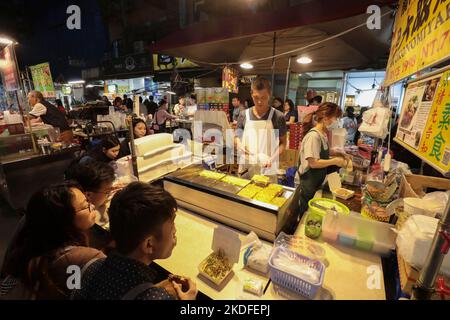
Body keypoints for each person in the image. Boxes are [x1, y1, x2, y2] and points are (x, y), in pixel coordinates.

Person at [72, 182, 198, 300]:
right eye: (172, 228)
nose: (175, 232)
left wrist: (153, 289)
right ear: (149, 244)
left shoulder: (88, 267)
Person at [0, 184, 105, 299]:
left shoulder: (30, 242)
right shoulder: (79, 259)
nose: (93, 206)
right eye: (86, 205)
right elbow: (75, 289)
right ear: (65, 220)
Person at [297, 102, 349, 217]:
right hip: (308, 183)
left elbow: (323, 151)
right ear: (325, 119)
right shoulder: (313, 136)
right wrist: (335, 161)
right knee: (305, 215)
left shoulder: (322, 134)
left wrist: (337, 152)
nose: (337, 122)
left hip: (316, 182)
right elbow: (313, 163)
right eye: (336, 118)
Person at [236, 76, 287, 181]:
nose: (259, 102)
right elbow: (237, 136)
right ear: (251, 94)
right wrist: (239, 144)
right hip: (247, 165)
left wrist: (271, 159)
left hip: (267, 166)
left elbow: (283, 143)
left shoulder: (278, 116)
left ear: (269, 95)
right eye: (256, 97)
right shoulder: (243, 115)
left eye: (263, 97)